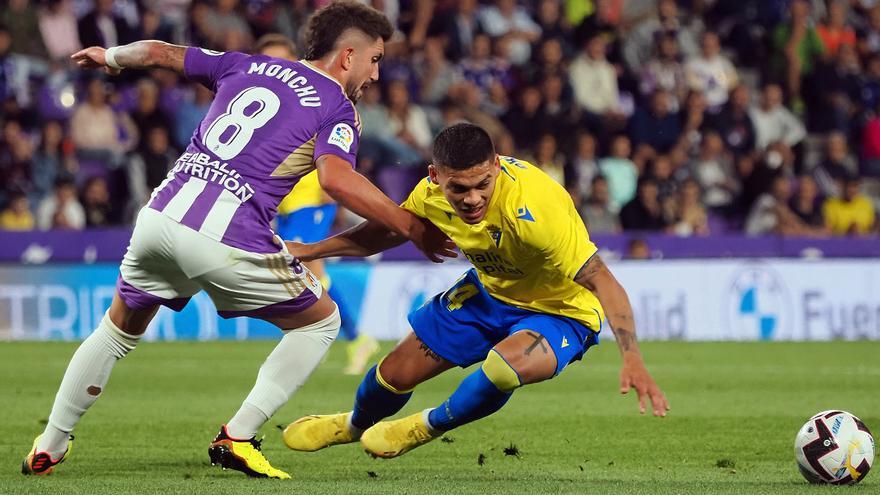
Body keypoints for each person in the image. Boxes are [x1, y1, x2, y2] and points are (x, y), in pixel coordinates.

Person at [22, 1, 451, 480]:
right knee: (320, 323)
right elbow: (336, 179)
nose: (376, 73)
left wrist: (112, 57)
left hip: (161, 217)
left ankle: (50, 443)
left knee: (116, 332)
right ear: (348, 56)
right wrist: (411, 226)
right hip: (228, 234)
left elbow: (161, 52)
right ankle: (239, 435)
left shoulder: (245, 63)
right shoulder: (337, 108)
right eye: (374, 59)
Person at [281, 123, 669, 460]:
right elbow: (384, 232)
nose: (472, 199)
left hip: (561, 310)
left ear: (497, 165)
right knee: (393, 374)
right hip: (488, 294)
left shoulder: (534, 209)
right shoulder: (429, 195)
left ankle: (425, 427)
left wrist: (632, 358)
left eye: (483, 184)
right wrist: (312, 250)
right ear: (435, 176)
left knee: (503, 368)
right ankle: (352, 425)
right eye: (459, 188)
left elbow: (603, 279)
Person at [255, 33, 380, 376]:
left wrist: (332, 188)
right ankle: (330, 335)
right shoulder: (263, 99)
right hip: (288, 203)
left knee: (306, 268)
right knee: (305, 271)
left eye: (281, 57)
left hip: (311, 198)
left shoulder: (309, 95)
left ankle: (346, 336)